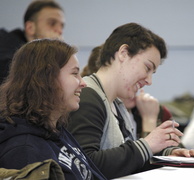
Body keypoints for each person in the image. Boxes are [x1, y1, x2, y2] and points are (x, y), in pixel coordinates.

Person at [68, 22, 194, 179]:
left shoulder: (116, 104)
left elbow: (126, 163)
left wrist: (169, 155)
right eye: (147, 68)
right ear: (124, 53)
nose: (149, 81)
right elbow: (85, 166)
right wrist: (147, 144)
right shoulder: (88, 97)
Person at [0, 39, 107, 180]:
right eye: (75, 74)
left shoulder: (55, 129)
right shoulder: (24, 150)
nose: (83, 83)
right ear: (46, 78)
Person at [81, 44, 172, 139]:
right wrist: (149, 121)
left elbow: (175, 146)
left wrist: (171, 151)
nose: (148, 81)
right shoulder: (91, 103)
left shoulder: (151, 108)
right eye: (147, 68)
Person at [0, 0, 65, 85]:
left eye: (62, 26)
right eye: (52, 23)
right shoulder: (5, 45)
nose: (60, 31)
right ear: (30, 28)